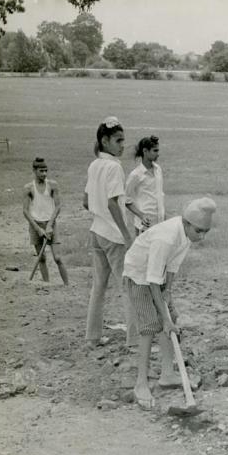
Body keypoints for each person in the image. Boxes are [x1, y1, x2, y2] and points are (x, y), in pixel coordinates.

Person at [123, 197, 216, 409]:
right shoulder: (166, 238)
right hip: (138, 274)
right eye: (199, 231)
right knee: (150, 325)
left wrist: (169, 293)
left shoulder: (186, 237)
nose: (201, 236)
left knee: (171, 319)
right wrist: (163, 319)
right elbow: (151, 279)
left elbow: (172, 266)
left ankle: (167, 374)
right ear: (186, 223)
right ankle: (141, 384)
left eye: (206, 232)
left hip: (158, 274)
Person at [83, 116, 141, 348]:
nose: (122, 145)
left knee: (99, 286)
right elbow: (112, 203)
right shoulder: (113, 167)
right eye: (118, 140)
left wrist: (101, 216)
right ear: (104, 141)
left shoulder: (94, 164)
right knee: (129, 286)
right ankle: (135, 340)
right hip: (114, 236)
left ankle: (92, 336)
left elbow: (86, 201)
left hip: (96, 231)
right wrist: (126, 235)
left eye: (123, 140)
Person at [22, 157, 69, 285]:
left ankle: (68, 285)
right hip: (35, 225)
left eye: (46, 171)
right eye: (41, 171)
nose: (44, 174)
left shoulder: (53, 185)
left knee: (57, 258)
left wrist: (49, 225)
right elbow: (25, 211)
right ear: (34, 171)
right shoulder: (28, 188)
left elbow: (58, 206)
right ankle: (46, 284)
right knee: (41, 258)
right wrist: (38, 229)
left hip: (50, 224)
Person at [125, 135, 165, 235]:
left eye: (158, 150)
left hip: (159, 223)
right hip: (144, 226)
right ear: (145, 151)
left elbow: (160, 194)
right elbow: (126, 199)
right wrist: (141, 215)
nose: (158, 154)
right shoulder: (136, 175)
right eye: (155, 151)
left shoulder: (158, 169)